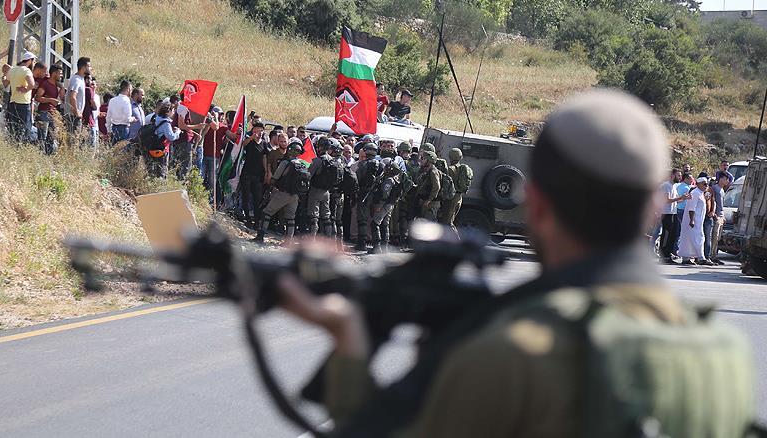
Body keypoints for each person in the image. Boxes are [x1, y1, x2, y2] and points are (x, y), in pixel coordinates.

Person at [276, 89, 755, 437]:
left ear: (538, 205)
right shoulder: (725, 358)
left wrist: (348, 343)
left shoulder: (512, 357)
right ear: (653, 207)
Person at [254, 139, 307, 244]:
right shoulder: (302, 164)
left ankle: (260, 237)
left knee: (266, 213)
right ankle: (288, 242)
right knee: (290, 219)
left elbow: (275, 178)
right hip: (295, 196)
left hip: (283, 193)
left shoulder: (285, 163)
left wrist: (271, 186)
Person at [307, 137, 339, 238]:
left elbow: (309, 175)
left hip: (316, 190)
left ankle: (312, 239)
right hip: (327, 192)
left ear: (320, 147)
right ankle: (329, 239)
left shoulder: (317, 161)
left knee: (314, 216)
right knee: (326, 216)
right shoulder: (333, 161)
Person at [354, 142, 382, 251]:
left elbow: (356, 180)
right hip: (376, 196)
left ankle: (361, 243)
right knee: (375, 221)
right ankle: (377, 245)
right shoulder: (381, 165)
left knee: (362, 220)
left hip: (363, 194)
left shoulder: (361, 165)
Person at [369, 158, 402, 253]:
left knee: (375, 223)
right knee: (385, 224)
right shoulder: (394, 179)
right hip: (390, 205)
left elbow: (385, 194)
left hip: (385, 205)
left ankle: (377, 247)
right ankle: (385, 246)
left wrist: (379, 205)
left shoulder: (389, 180)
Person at [5, 51, 38, 144]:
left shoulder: (12, 70)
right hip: (24, 103)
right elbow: (32, 84)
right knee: (25, 128)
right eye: (33, 61)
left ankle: (13, 144)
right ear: (30, 61)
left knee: (14, 128)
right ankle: (22, 145)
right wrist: (26, 89)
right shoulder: (26, 70)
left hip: (13, 102)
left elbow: (5, 83)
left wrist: (4, 73)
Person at [240, 122, 269, 226]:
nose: (260, 132)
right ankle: (247, 218)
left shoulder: (264, 143)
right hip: (247, 173)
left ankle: (257, 221)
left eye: (261, 130)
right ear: (253, 130)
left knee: (258, 198)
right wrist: (251, 138)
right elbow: (243, 145)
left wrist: (266, 172)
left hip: (258, 175)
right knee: (246, 196)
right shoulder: (250, 140)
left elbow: (264, 157)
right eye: (258, 129)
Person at [657, 169, 688, 263]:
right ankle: (663, 255)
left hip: (673, 213)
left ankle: (669, 254)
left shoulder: (673, 186)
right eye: (678, 175)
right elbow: (667, 200)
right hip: (666, 213)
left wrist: (684, 198)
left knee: (673, 235)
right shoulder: (666, 185)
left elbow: (676, 200)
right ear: (673, 175)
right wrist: (680, 197)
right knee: (666, 235)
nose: (680, 177)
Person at [678, 177, 710, 265]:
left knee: (690, 238)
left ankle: (686, 258)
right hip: (693, 220)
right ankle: (701, 258)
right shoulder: (695, 193)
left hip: (698, 220)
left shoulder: (700, 193)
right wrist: (692, 220)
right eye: (704, 184)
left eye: (707, 184)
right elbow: (692, 208)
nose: (706, 186)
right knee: (698, 238)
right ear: (698, 184)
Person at [440, 148, 473, 230]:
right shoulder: (463, 169)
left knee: (448, 223)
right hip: (459, 198)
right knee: (449, 221)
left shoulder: (450, 169)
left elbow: (446, 185)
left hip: (451, 199)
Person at [144, 103, 180, 178]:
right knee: (162, 169)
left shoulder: (156, 118)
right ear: (167, 112)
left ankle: (151, 183)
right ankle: (161, 185)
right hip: (161, 150)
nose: (174, 112)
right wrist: (177, 132)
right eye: (173, 110)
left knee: (151, 170)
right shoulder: (166, 123)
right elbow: (171, 137)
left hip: (152, 147)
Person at [34, 64, 63, 155]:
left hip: (52, 114)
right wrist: (50, 100)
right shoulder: (45, 83)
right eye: (60, 73)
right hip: (43, 113)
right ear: (54, 73)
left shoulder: (56, 85)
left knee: (52, 137)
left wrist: (61, 87)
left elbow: (62, 97)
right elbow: (38, 98)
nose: (61, 76)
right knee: (42, 138)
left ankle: (49, 157)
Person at [64, 57, 91, 138]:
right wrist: (77, 112)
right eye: (89, 66)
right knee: (73, 141)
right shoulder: (77, 80)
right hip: (73, 116)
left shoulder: (81, 79)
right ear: (83, 67)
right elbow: (72, 97)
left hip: (74, 116)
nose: (90, 68)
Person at [709, 171, 731, 264]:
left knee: (718, 238)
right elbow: (713, 202)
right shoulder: (715, 189)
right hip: (716, 216)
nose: (727, 181)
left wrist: (723, 216)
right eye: (726, 179)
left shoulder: (722, 190)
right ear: (721, 179)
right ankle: (711, 255)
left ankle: (714, 255)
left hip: (721, 216)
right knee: (714, 236)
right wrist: (715, 214)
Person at [415, 150, 442, 221]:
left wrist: (429, 200)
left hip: (431, 204)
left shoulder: (433, 172)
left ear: (429, 161)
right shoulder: (426, 170)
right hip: (426, 202)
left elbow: (437, 187)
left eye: (423, 158)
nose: (421, 160)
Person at [105, 80, 134, 145]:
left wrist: (109, 130)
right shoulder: (126, 100)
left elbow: (108, 117)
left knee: (114, 150)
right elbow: (128, 119)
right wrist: (133, 119)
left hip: (114, 128)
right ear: (128, 89)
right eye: (131, 89)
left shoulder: (112, 100)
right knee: (123, 150)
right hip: (124, 129)